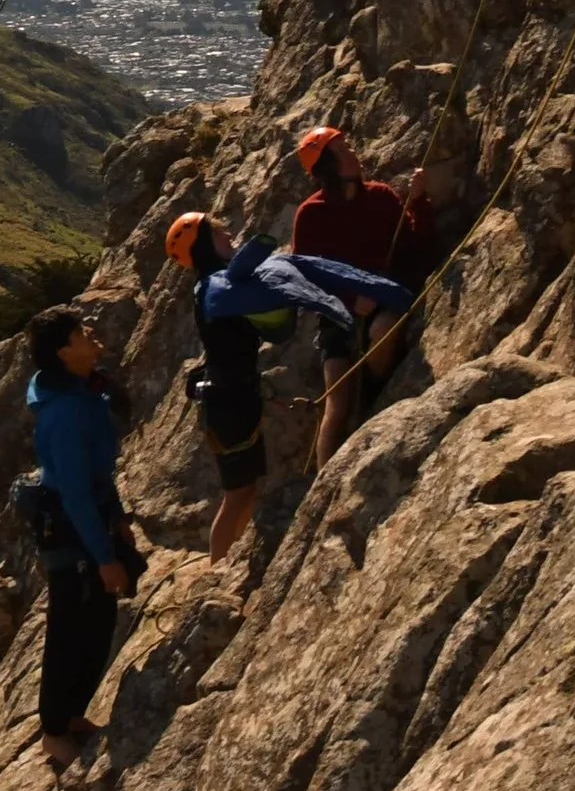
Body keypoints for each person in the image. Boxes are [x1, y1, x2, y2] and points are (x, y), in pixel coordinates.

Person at [165, 212, 409, 564]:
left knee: (244, 491)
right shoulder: (213, 290)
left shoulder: (212, 287)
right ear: (203, 244)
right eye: (219, 232)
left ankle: (223, 562)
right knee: (238, 493)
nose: (229, 234)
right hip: (229, 404)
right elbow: (248, 299)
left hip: (233, 399)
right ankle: (216, 569)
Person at [23, 302, 139, 776]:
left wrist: (117, 517)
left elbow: (94, 473)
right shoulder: (67, 411)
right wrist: (105, 555)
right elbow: (73, 489)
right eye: (81, 332)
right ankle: (53, 732)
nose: (92, 334)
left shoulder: (78, 390)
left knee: (98, 618)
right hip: (71, 527)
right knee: (72, 627)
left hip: (88, 512)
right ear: (64, 350)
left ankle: (70, 715)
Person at [288, 130, 440, 468]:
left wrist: (418, 203)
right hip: (337, 313)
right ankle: (323, 488)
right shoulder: (311, 214)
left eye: (350, 146)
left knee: (382, 330)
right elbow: (304, 276)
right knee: (336, 405)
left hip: (382, 300)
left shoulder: (381, 198)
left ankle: (373, 389)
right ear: (328, 165)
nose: (354, 153)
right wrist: (349, 297)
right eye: (344, 150)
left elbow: (416, 248)